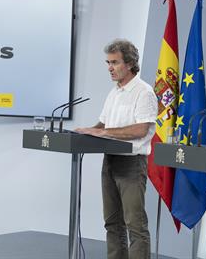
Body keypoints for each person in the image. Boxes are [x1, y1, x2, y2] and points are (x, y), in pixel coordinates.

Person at [76, 39, 157, 259]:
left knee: (135, 225)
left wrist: (103, 132)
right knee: (112, 222)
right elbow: (103, 125)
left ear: (129, 63)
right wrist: (85, 131)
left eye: (115, 62)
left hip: (131, 164)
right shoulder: (114, 93)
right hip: (110, 161)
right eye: (107, 62)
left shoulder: (144, 92)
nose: (110, 68)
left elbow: (141, 129)